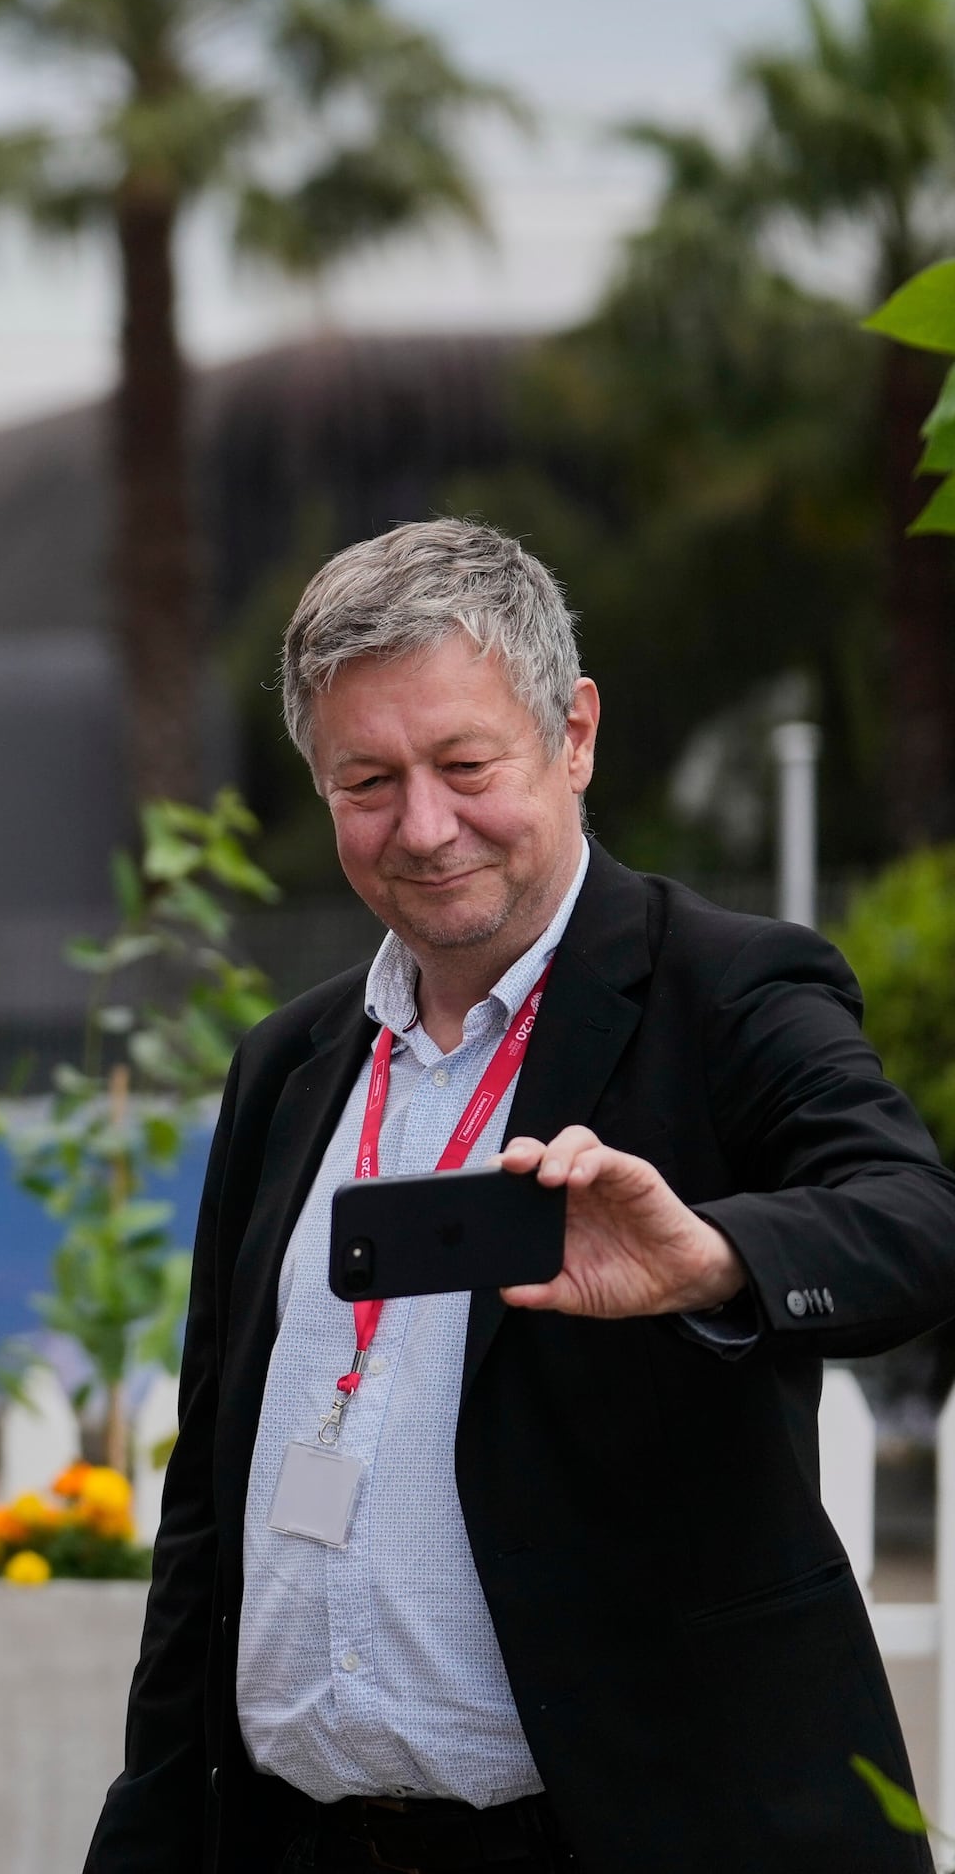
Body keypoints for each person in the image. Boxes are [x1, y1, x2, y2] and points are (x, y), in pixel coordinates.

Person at [83, 519, 955, 1874]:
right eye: (368, 780)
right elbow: (209, 1498)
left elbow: (915, 1221)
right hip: (290, 1841)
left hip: (618, 1840)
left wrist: (717, 1255)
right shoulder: (291, 1066)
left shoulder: (725, 993)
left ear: (575, 733)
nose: (424, 829)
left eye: (464, 765)